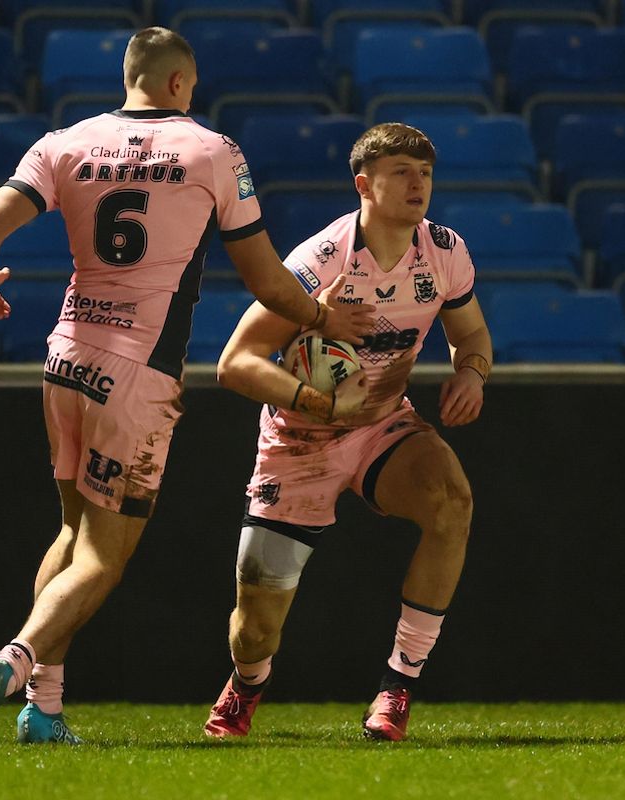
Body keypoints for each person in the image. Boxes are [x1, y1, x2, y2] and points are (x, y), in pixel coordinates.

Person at [0, 26, 374, 750]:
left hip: (66, 354)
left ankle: (44, 710)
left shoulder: (62, 143)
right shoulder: (212, 151)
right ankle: (9, 665)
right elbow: (265, 280)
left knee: (70, 532)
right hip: (137, 373)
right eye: (191, 86)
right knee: (104, 555)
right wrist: (326, 317)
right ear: (176, 83)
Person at [202, 122, 492, 742]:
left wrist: (472, 372)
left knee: (453, 502)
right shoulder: (320, 261)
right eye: (401, 174)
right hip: (299, 442)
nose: (418, 186)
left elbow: (471, 337)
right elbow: (235, 364)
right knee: (255, 628)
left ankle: (396, 688)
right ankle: (247, 684)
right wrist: (315, 400)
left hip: (384, 424)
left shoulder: (444, 251)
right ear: (364, 184)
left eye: (426, 175)